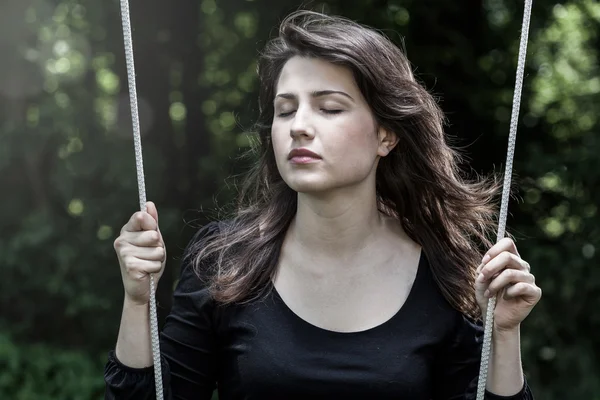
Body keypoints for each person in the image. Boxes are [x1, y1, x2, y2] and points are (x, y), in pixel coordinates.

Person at [104, 10, 541, 400]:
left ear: (385, 135)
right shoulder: (224, 263)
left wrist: (504, 333)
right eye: (285, 109)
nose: (299, 127)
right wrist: (137, 301)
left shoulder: (446, 273)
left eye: (329, 108)